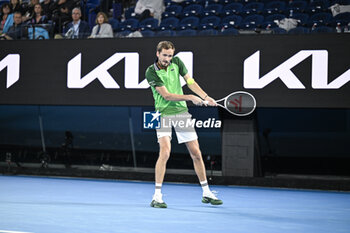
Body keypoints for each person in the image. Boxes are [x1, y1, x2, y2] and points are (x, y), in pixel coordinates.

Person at [145, 41, 223, 208]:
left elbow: (191, 82)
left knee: (196, 152)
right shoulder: (151, 72)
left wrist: (205, 97)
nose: (167, 59)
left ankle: (206, 192)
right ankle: (157, 196)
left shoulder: (177, 63)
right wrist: (190, 98)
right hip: (161, 113)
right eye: (164, 55)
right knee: (165, 151)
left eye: (170, 55)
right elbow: (166, 96)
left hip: (181, 112)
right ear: (157, 53)